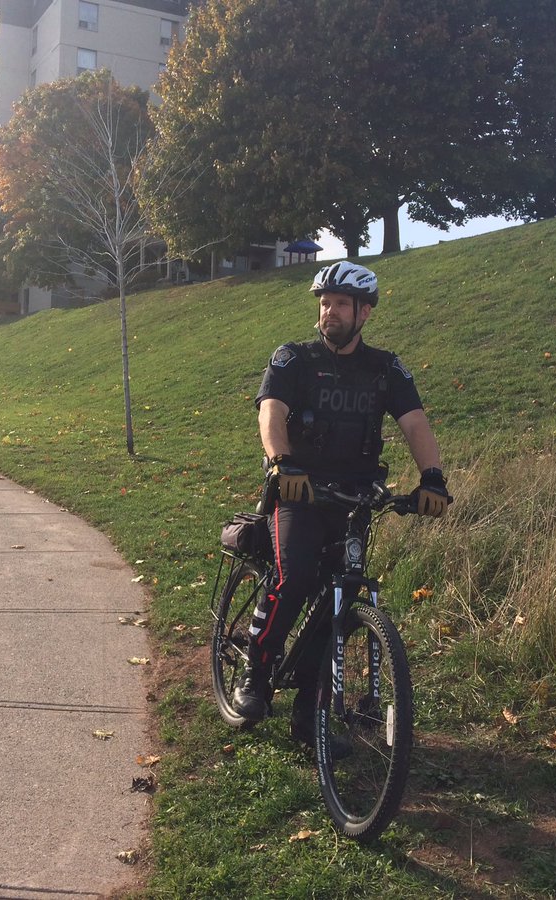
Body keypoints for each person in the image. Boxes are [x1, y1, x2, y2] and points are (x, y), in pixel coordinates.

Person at [233, 261, 450, 746]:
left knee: (340, 601)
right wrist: (282, 463)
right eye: (324, 303)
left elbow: (414, 422)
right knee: (296, 579)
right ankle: (256, 673)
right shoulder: (294, 359)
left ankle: (309, 715)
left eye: (340, 304)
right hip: (300, 492)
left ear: (365, 313)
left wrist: (432, 478)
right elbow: (273, 412)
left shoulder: (385, 369)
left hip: (355, 499)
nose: (328, 312)